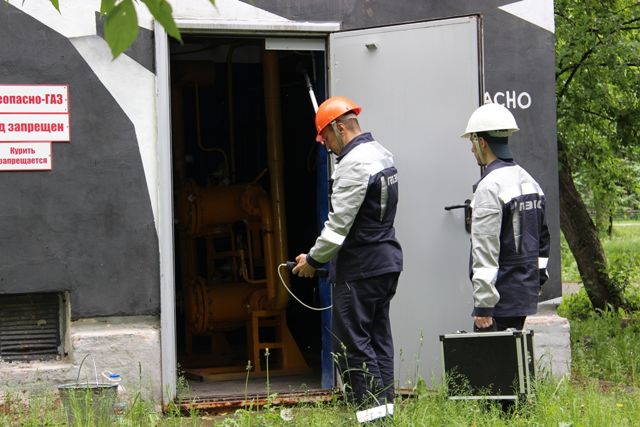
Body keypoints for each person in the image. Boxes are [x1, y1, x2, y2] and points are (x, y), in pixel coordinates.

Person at [292, 96, 403, 408]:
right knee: (377, 340)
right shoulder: (380, 153)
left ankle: (372, 416)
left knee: (351, 344)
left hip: (361, 268)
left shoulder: (353, 164)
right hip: (384, 262)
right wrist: (316, 259)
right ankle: (386, 411)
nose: (327, 146)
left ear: (339, 128)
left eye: (326, 138)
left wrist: (313, 260)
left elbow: (338, 226)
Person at [461, 103, 550, 332]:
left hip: (500, 299)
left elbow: (485, 248)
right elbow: (543, 241)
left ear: (482, 142)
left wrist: (484, 304)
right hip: (523, 294)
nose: (471, 150)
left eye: (472, 142)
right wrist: (538, 279)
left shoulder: (490, 187)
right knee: (516, 353)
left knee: (492, 355)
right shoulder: (530, 181)